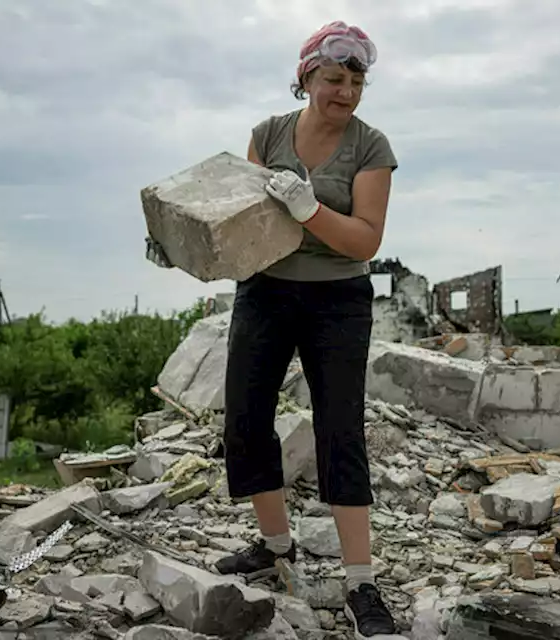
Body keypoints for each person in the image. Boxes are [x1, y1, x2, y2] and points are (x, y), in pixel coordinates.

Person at [148, 20, 399, 639]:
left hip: (338, 298)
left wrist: (310, 209)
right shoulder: (268, 135)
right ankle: (276, 547)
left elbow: (367, 238)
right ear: (306, 77)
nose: (346, 91)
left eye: (356, 80)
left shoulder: (370, 147)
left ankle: (361, 581)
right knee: (246, 421)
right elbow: (242, 226)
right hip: (265, 291)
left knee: (340, 428)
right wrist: (181, 247)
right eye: (334, 78)